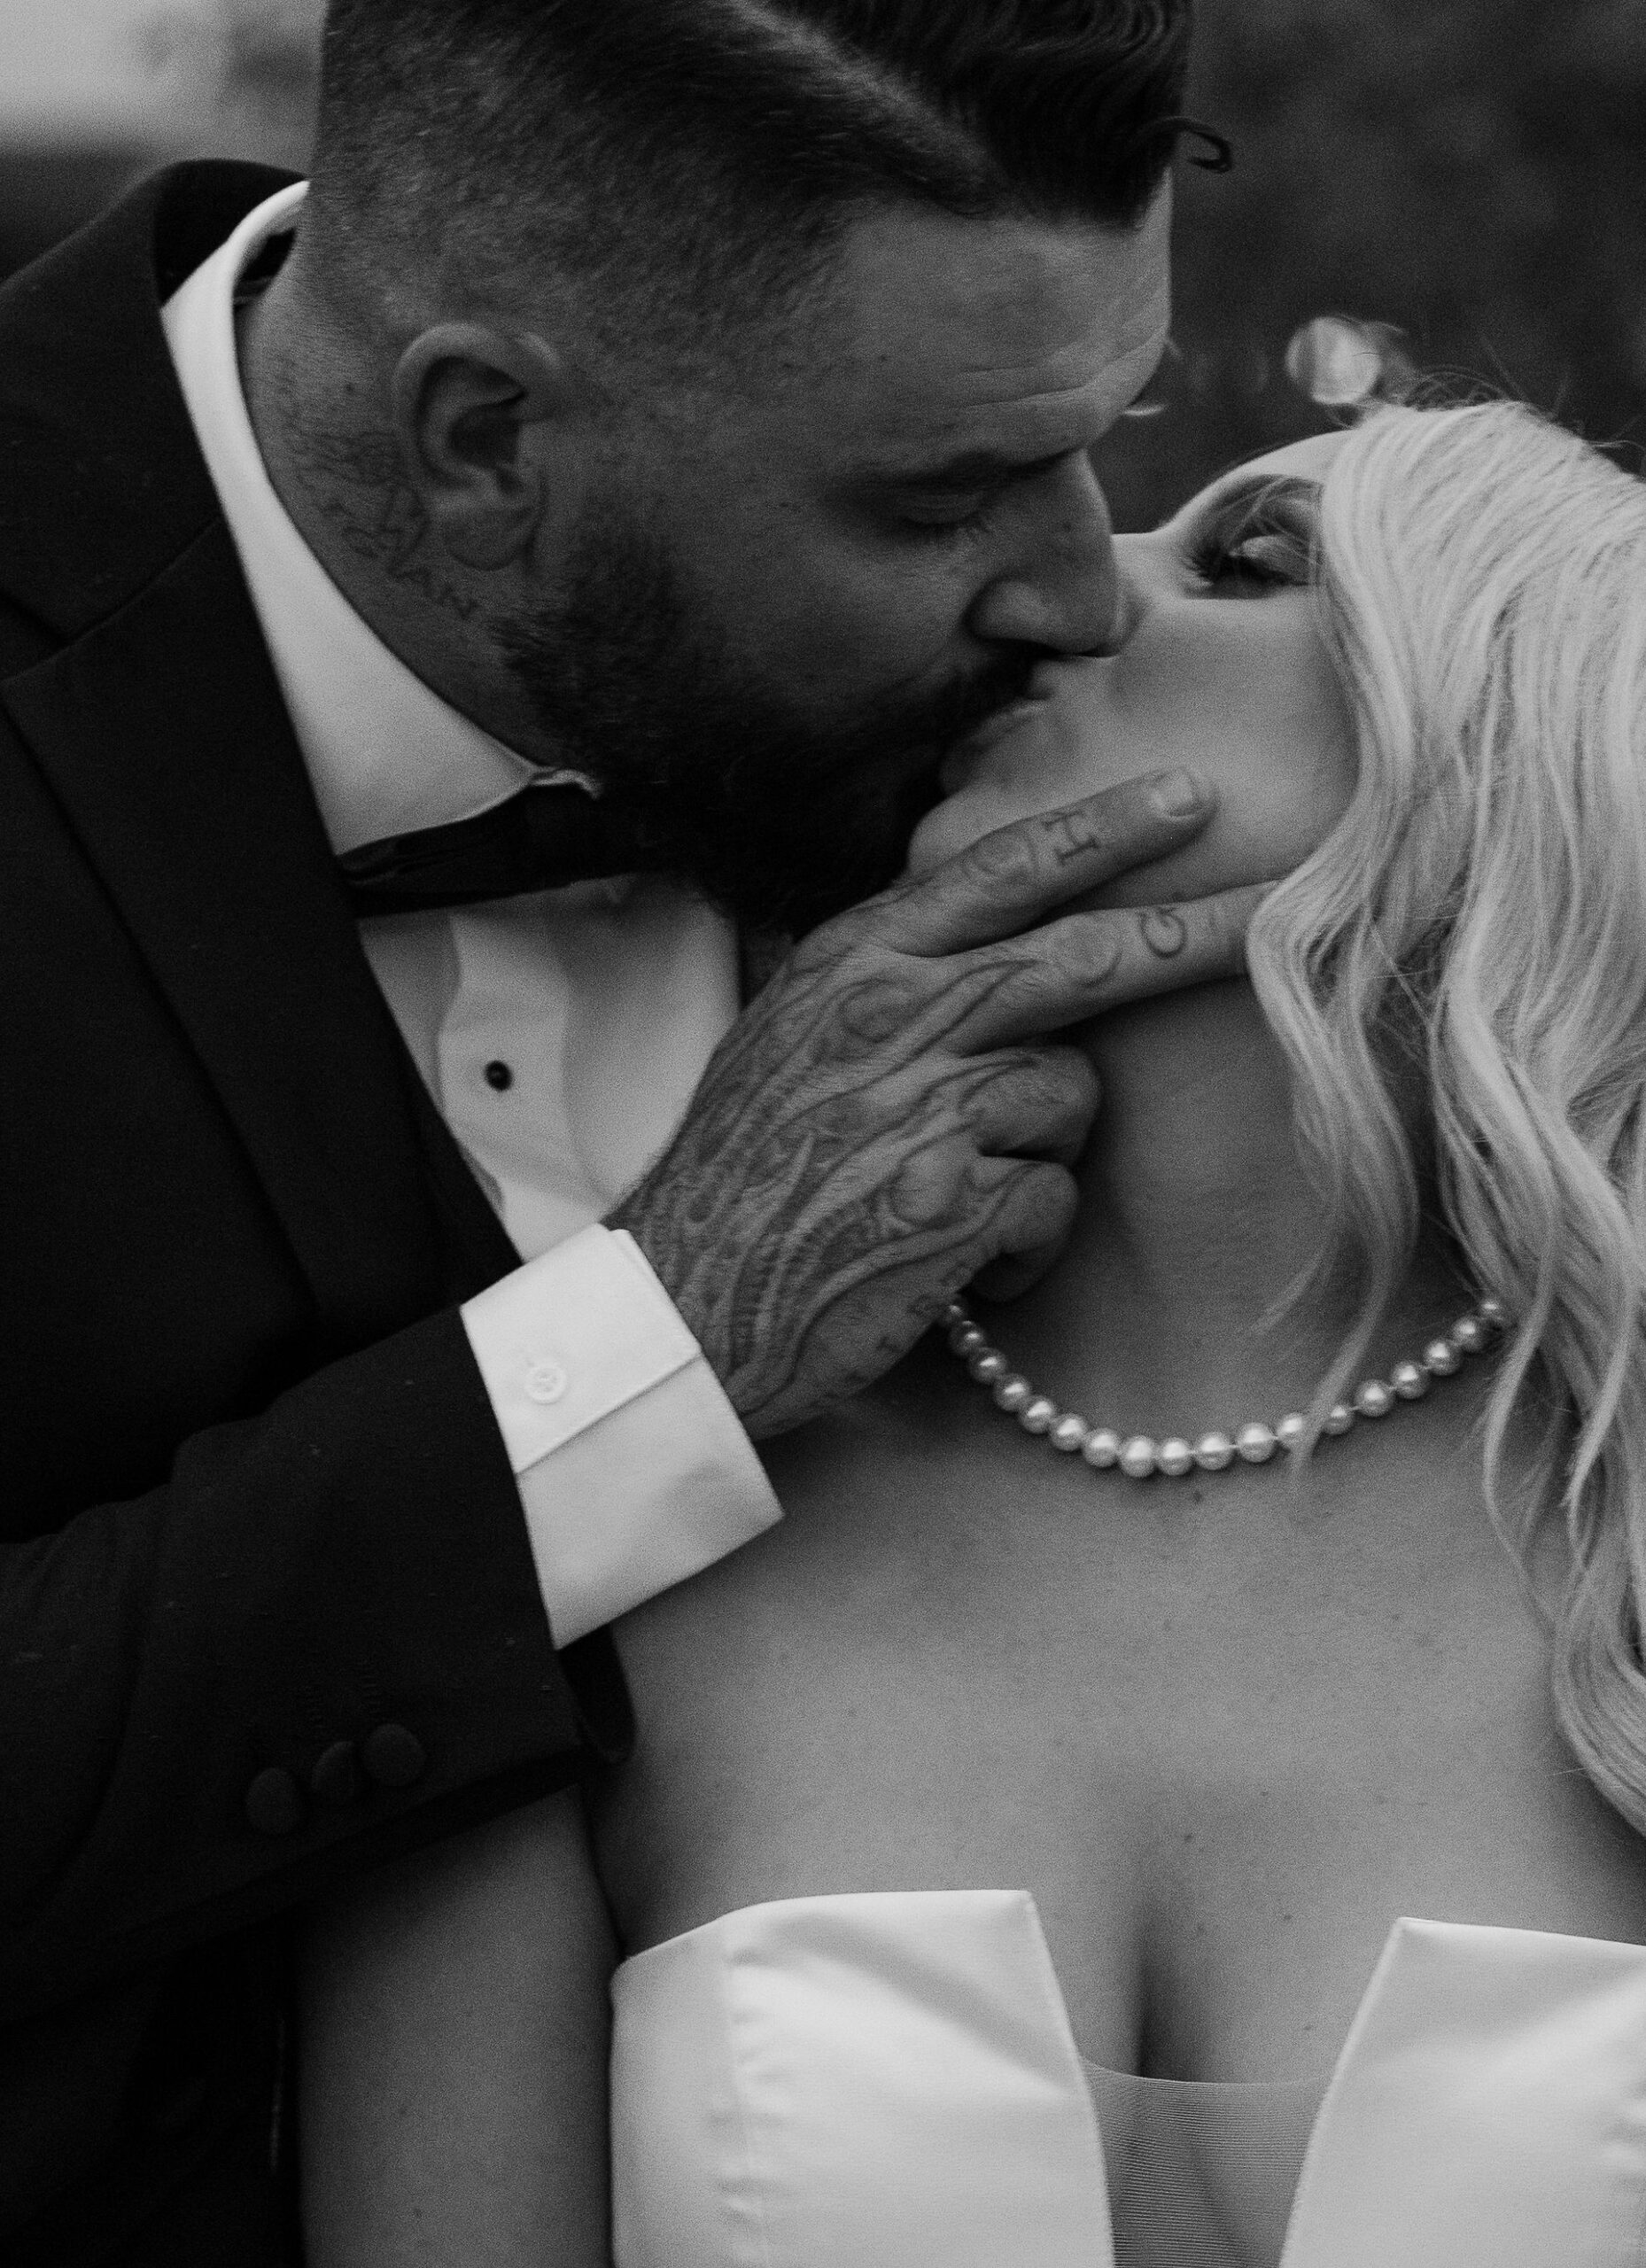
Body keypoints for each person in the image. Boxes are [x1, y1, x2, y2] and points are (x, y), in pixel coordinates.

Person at [0, 4, 1265, 2264]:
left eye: (1099, 438)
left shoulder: (1035, 809)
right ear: (481, 440)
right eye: (936, 497)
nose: (1081, 596)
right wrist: (653, 1355)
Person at [297, 399, 1646, 2268]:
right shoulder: (629, 1514)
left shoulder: (1622, 1559)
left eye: (1247, 564)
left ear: (1504, 749)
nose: (1072, 597)